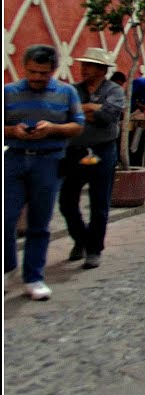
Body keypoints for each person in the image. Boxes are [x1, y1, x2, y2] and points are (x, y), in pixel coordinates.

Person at [4, 45, 85, 300]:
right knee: (6, 218)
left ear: (53, 70)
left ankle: (34, 277)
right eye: (32, 72)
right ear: (23, 67)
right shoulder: (9, 92)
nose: (37, 77)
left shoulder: (66, 92)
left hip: (49, 161)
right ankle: (7, 268)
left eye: (43, 73)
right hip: (15, 159)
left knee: (40, 222)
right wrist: (12, 131)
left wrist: (52, 129)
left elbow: (77, 126)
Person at [58, 47, 126, 270]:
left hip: (102, 151)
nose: (83, 68)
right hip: (75, 151)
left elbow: (108, 116)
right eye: (83, 64)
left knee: (99, 203)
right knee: (67, 201)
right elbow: (65, 115)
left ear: (101, 69)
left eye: (89, 65)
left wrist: (84, 111)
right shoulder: (72, 90)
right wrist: (90, 109)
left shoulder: (114, 90)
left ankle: (94, 249)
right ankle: (81, 238)